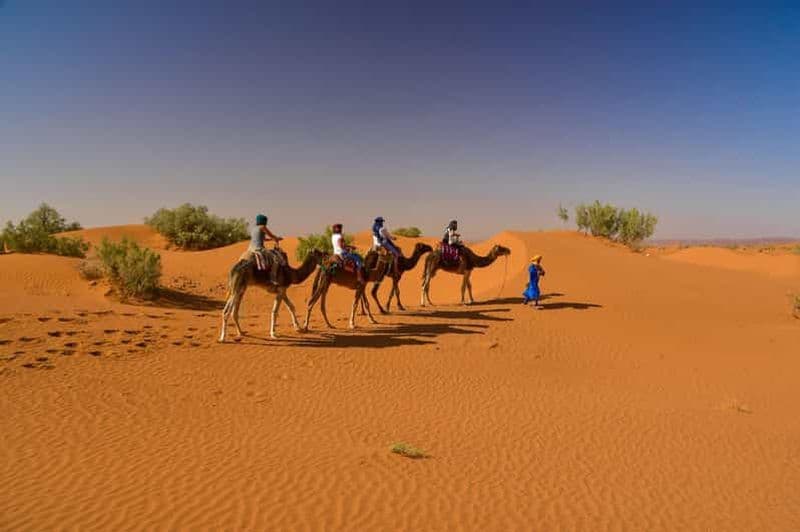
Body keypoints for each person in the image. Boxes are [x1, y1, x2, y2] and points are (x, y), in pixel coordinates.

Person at [248, 214, 283, 283]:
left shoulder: (254, 228)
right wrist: (277, 238)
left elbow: (264, 239)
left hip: (250, 249)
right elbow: (272, 235)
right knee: (276, 259)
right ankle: (273, 278)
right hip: (258, 248)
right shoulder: (263, 227)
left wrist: (271, 239)